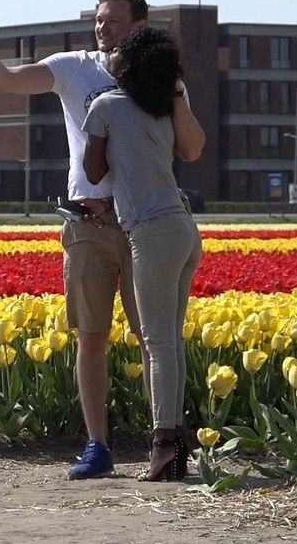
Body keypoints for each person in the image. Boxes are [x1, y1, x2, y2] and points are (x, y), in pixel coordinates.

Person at [0, 0, 201, 479]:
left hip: (146, 224)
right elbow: (7, 82)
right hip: (89, 224)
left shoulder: (158, 78)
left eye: (113, 20)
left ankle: (166, 441)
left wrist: (174, 94)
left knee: (152, 338)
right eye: (98, 19)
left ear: (137, 26)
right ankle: (98, 446)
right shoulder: (73, 66)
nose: (102, 27)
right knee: (91, 336)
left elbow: (190, 148)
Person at [82, 26, 205, 481]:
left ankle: (164, 447)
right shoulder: (162, 109)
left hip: (150, 233)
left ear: (128, 65)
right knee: (170, 341)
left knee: (158, 343)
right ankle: (174, 445)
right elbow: (192, 148)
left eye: (118, 53)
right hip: (184, 229)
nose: (110, 55)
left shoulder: (106, 106)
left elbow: (93, 173)